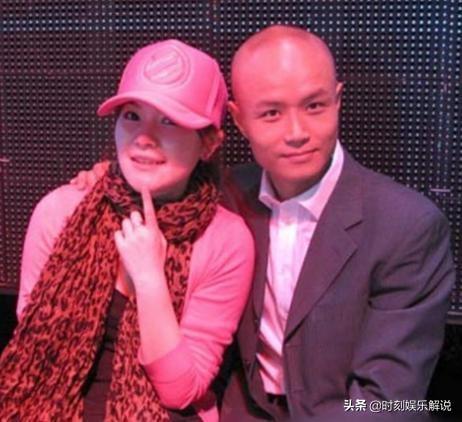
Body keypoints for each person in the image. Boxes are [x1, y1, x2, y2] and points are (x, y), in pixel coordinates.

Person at [71, 25, 455, 421]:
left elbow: (390, 401)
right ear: (239, 120)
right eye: (271, 113)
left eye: (314, 106)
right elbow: (155, 178)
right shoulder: (225, 198)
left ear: (338, 100)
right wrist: (103, 180)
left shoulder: (407, 226)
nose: (296, 133)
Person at [0, 39, 254, 422]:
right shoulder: (60, 211)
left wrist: (150, 280)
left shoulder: (226, 240)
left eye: (169, 120)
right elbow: (34, 350)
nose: (144, 137)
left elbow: (182, 391)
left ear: (208, 144)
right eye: (132, 115)